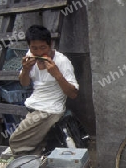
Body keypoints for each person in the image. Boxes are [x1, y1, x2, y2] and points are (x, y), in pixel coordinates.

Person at [9, 25, 79, 155]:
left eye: (43, 48)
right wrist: (25, 70)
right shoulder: (30, 56)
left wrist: (57, 74)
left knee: (15, 142)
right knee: (32, 144)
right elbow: (24, 83)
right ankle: (35, 162)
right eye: (34, 48)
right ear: (29, 47)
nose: (39, 53)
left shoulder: (62, 61)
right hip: (34, 104)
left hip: (50, 109)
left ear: (50, 44)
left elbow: (73, 94)